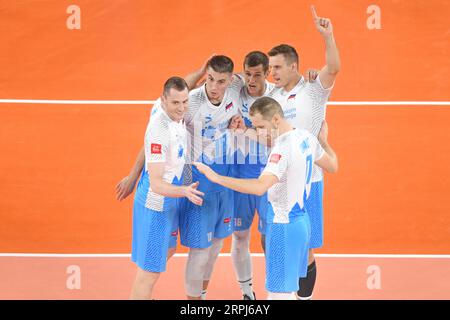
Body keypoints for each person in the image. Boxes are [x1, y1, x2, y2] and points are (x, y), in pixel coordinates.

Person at [194, 96, 338, 299]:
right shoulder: (306, 137)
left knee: (279, 295)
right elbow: (333, 165)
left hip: (282, 226)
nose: (258, 131)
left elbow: (259, 187)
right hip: (302, 224)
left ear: (276, 120)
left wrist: (216, 177)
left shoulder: (280, 151)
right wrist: (324, 141)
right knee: (293, 289)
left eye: (260, 126)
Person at [266, 5, 341, 299]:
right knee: (274, 239)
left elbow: (333, 67)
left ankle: (304, 297)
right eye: (270, 67)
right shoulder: (271, 96)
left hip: (310, 182)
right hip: (278, 181)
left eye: (277, 67)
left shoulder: (314, 88)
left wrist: (328, 37)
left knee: (306, 247)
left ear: (294, 66)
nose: (272, 72)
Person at [130, 77, 204, 299]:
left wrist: (202, 69)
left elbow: (186, 82)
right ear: (163, 101)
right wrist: (185, 191)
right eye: (175, 103)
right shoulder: (159, 132)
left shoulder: (167, 106)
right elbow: (156, 183)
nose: (181, 108)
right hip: (158, 202)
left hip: (170, 198)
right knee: (149, 272)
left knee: (168, 250)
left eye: (184, 102)